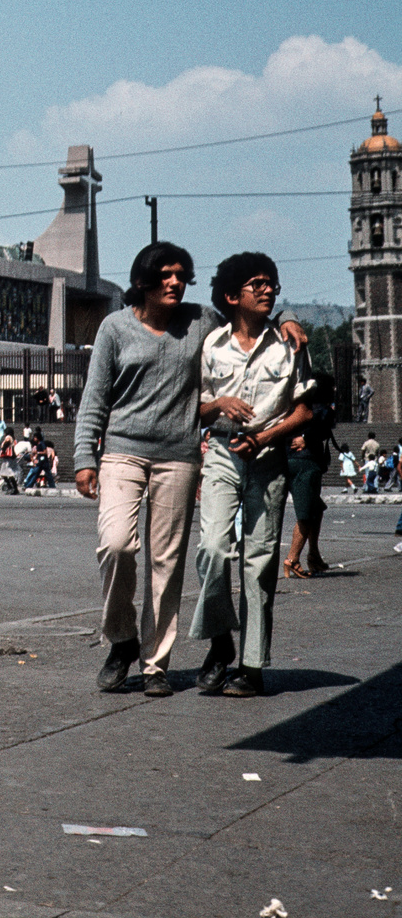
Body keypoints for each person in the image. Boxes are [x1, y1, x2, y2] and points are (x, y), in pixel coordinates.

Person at [74, 240, 308, 698]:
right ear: (143, 280)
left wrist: (288, 319)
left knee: (168, 562)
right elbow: (94, 398)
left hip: (179, 456)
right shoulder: (115, 328)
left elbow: (249, 323)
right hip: (122, 451)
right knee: (116, 544)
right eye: (166, 275)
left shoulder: (200, 321)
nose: (176, 282)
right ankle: (122, 639)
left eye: (182, 275)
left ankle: (156, 664)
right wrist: (85, 457)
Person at [188, 253, 314, 698]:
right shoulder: (212, 345)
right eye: (256, 284)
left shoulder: (289, 344)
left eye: (271, 285)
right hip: (222, 455)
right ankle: (221, 641)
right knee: (212, 548)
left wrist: (266, 437)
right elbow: (197, 408)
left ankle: (252, 667)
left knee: (259, 564)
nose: (266, 290)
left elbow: (304, 409)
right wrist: (219, 405)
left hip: (269, 459)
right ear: (231, 295)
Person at [283, 376, 335, 580]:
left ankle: (314, 554)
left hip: (290, 459)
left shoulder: (293, 405)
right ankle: (292, 559)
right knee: (307, 514)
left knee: (316, 508)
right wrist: (307, 439)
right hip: (306, 463)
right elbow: (321, 426)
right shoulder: (322, 409)